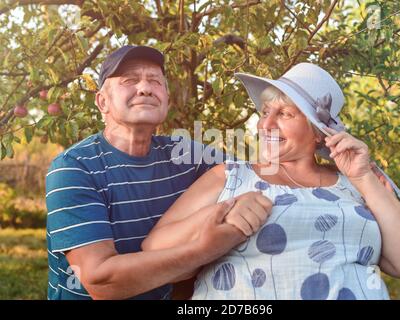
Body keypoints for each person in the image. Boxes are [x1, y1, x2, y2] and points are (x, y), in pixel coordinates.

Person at [141, 63, 400, 299]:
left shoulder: (357, 185)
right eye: (266, 112)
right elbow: (154, 249)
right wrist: (223, 213)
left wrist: (363, 177)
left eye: (284, 114)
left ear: (319, 133)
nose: (266, 124)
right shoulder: (231, 175)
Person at [45, 45, 274, 300]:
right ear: (102, 101)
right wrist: (203, 250)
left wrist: (324, 151)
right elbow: (102, 282)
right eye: (129, 81)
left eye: (155, 81)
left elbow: (258, 174)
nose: (144, 88)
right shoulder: (73, 168)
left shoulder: (185, 155)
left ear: (166, 98)